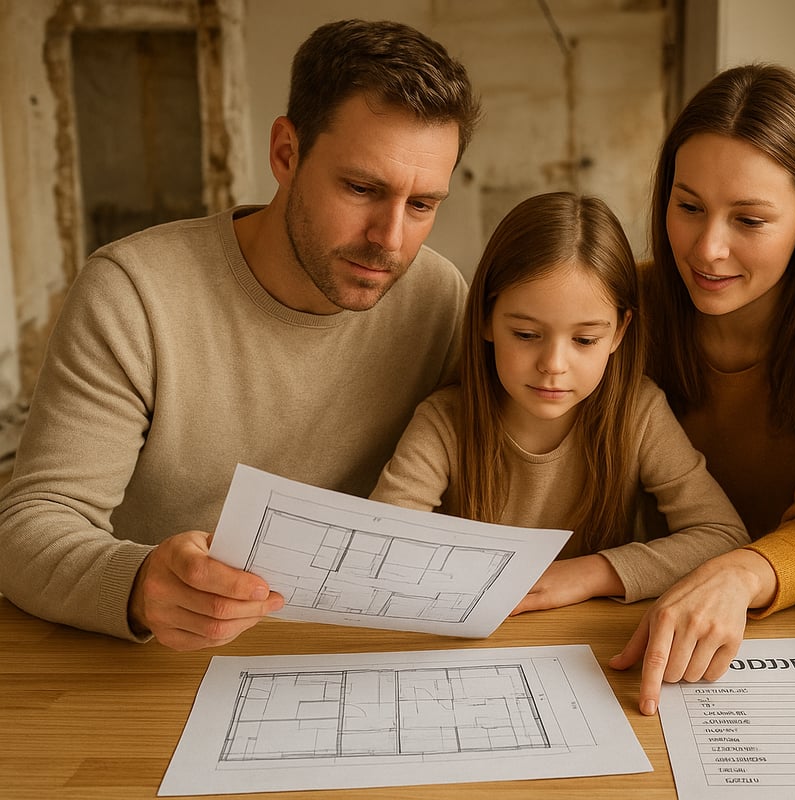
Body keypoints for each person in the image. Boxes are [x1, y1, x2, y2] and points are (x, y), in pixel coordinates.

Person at [0, 19, 482, 650]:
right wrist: (138, 582)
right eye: (362, 188)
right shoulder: (133, 292)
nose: (391, 240)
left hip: (341, 654)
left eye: (422, 205)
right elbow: (29, 526)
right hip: (153, 662)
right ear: (286, 153)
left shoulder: (440, 298)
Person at [608, 64, 795, 714]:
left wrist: (733, 574)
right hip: (639, 608)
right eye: (688, 206)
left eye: (749, 220)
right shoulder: (626, 302)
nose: (708, 249)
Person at [370, 191, 749, 611]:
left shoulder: (639, 412)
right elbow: (382, 547)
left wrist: (590, 575)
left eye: (585, 340)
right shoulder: (444, 422)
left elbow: (723, 536)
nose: (553, 365)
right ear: (485, 319)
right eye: (527, 335)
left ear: (619, 333)